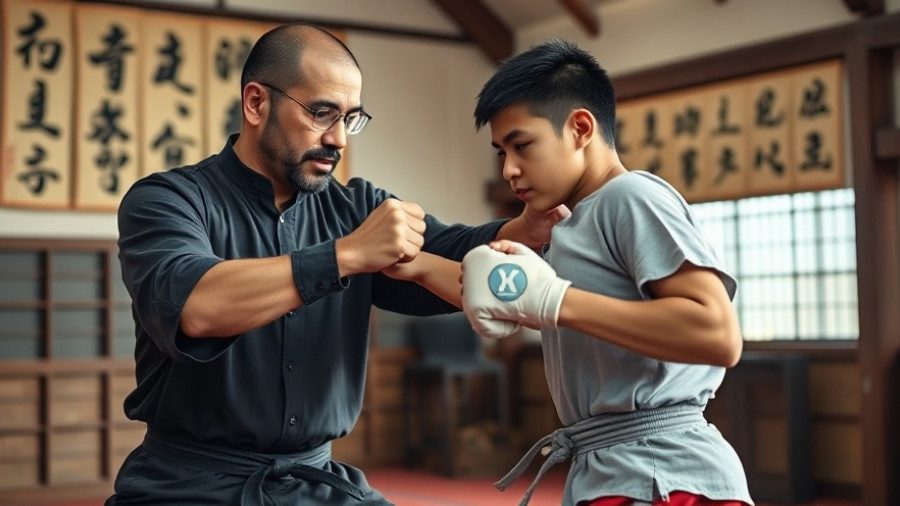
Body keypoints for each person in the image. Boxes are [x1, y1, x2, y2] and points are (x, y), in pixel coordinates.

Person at [110, 23, 563, 506]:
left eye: (351, 118)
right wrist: (346, 254)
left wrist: (527, 231)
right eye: (322, 113)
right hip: (188, 485)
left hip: (316, 481)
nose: (339, 139)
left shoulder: (355, 207)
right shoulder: (168, 200)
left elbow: (455, 248)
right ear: (256, 103)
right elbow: (197, 305)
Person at [394, 39, 754, 506]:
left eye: (521, 145)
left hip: (662, 474)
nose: (509, 169)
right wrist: (413, 264)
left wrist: (556, 300)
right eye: (501, 152)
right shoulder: (571, 224)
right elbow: (501, 292)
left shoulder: (632, 197)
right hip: (611, 468)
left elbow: (718, 334)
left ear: (580, 127)